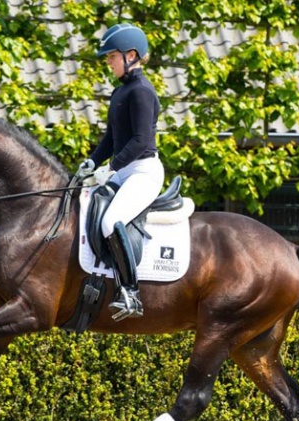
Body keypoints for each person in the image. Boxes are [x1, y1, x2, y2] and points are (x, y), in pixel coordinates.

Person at [77, 23, 164, 321]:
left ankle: (131, 293)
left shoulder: (141, 91)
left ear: (131, 55)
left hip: (143, 171)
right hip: (124, 169)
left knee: (111, 221)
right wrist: (92, 162)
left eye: (111, 56)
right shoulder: (121, 92)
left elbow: (141, 141)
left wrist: (110, 168)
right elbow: (111, 139)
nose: (108, 62)